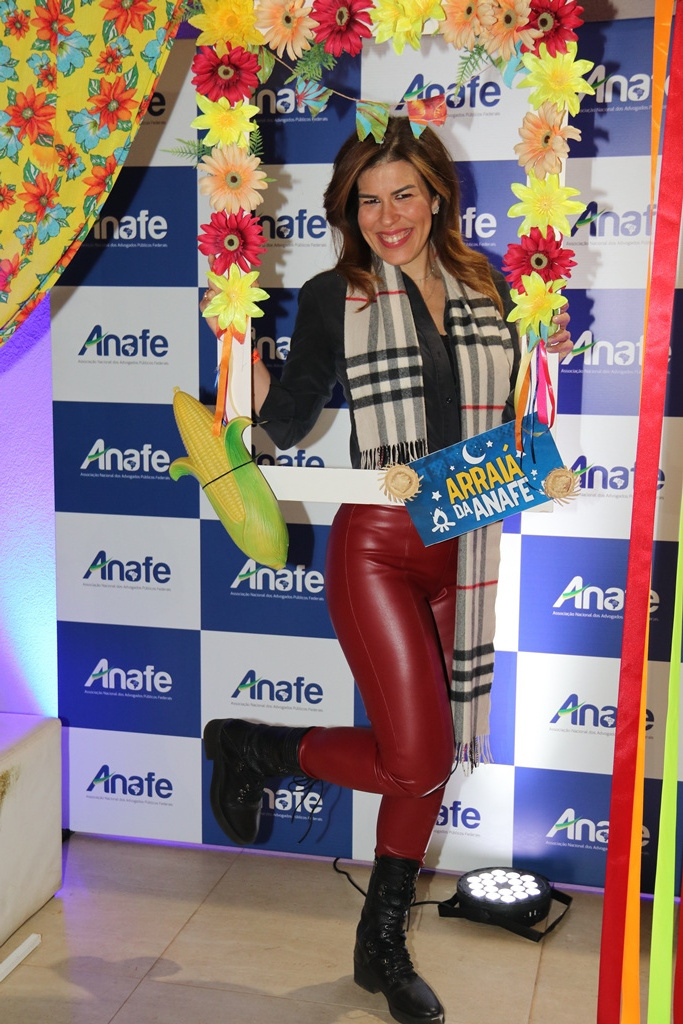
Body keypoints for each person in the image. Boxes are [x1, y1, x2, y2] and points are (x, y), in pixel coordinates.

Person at [201, 116, 572, 1024]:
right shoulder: (338, 293)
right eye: (366, 201)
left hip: (465, 550)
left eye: (403, 193)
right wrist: (245, 396)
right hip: (377, 545)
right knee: (420, 757)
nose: (386, 216)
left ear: (436, 196)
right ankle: (259, 747)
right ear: (349, 212)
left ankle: (379, 948)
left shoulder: (492, 286)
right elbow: (293, 414)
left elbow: (515, 415)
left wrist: (544, 394)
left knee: (425, 768)